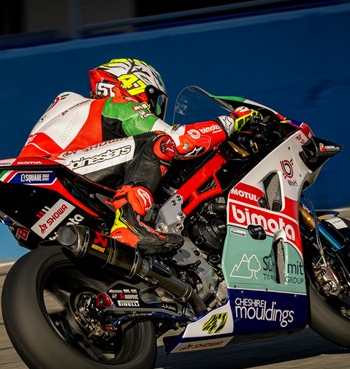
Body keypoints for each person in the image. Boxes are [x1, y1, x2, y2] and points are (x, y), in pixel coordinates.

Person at [19, 58, 256, 254]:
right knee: (159, 142)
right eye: (153, 99)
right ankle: (128, 222)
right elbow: (180, 141)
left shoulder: (76, 110)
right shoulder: (115, 105)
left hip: (34, 196)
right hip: (56, 171)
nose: (153, 108)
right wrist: (231, 122)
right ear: (135, 83)